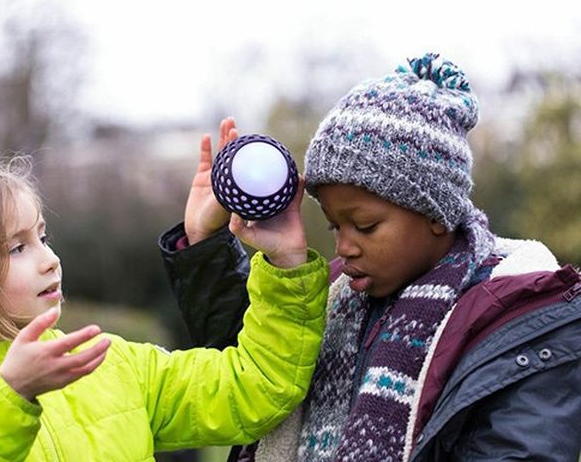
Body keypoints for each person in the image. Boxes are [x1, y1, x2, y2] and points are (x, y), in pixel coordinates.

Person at [159, 54, 581, 461]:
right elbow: (257, 377)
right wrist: (206, 240)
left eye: (365, 226)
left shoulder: (517, 321)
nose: (345, 246)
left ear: (436, 213)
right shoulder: (338, 292)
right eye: (334, 227)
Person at [0, 156, 330, 461]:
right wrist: (9, 395)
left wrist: (285, 262)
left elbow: (255, 387)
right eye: (16, 249)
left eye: (42, 238)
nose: (50, 260)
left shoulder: (114, 364)